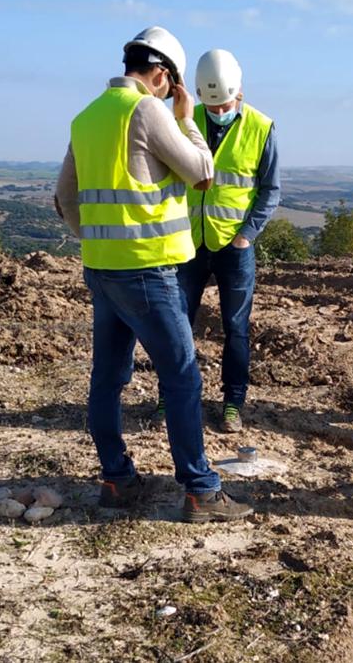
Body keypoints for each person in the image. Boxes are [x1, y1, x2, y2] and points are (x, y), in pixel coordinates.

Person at [54, 26, 253, 523]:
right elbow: (201, 171)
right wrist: (185, 120)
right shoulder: (147, 110)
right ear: (162, 74)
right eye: (173, 85)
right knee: (183, 378)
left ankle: (116, 481)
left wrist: (101, 238)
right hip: (148, 270)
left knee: (108, 378)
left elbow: (65, 199)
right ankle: (200, 491)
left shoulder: (86, 118)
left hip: (102, 270)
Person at [154, 49, 280, 434]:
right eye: (211, 105)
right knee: (177, 325)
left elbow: (269, 190)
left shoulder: (261, 127)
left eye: (224, 104)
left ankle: (232, 403)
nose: (218, 110)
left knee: (236, 328)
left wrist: (247, 236)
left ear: (239, 93)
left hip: (233, 247)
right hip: (187, 244)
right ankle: (170, 398)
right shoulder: (180, 122)